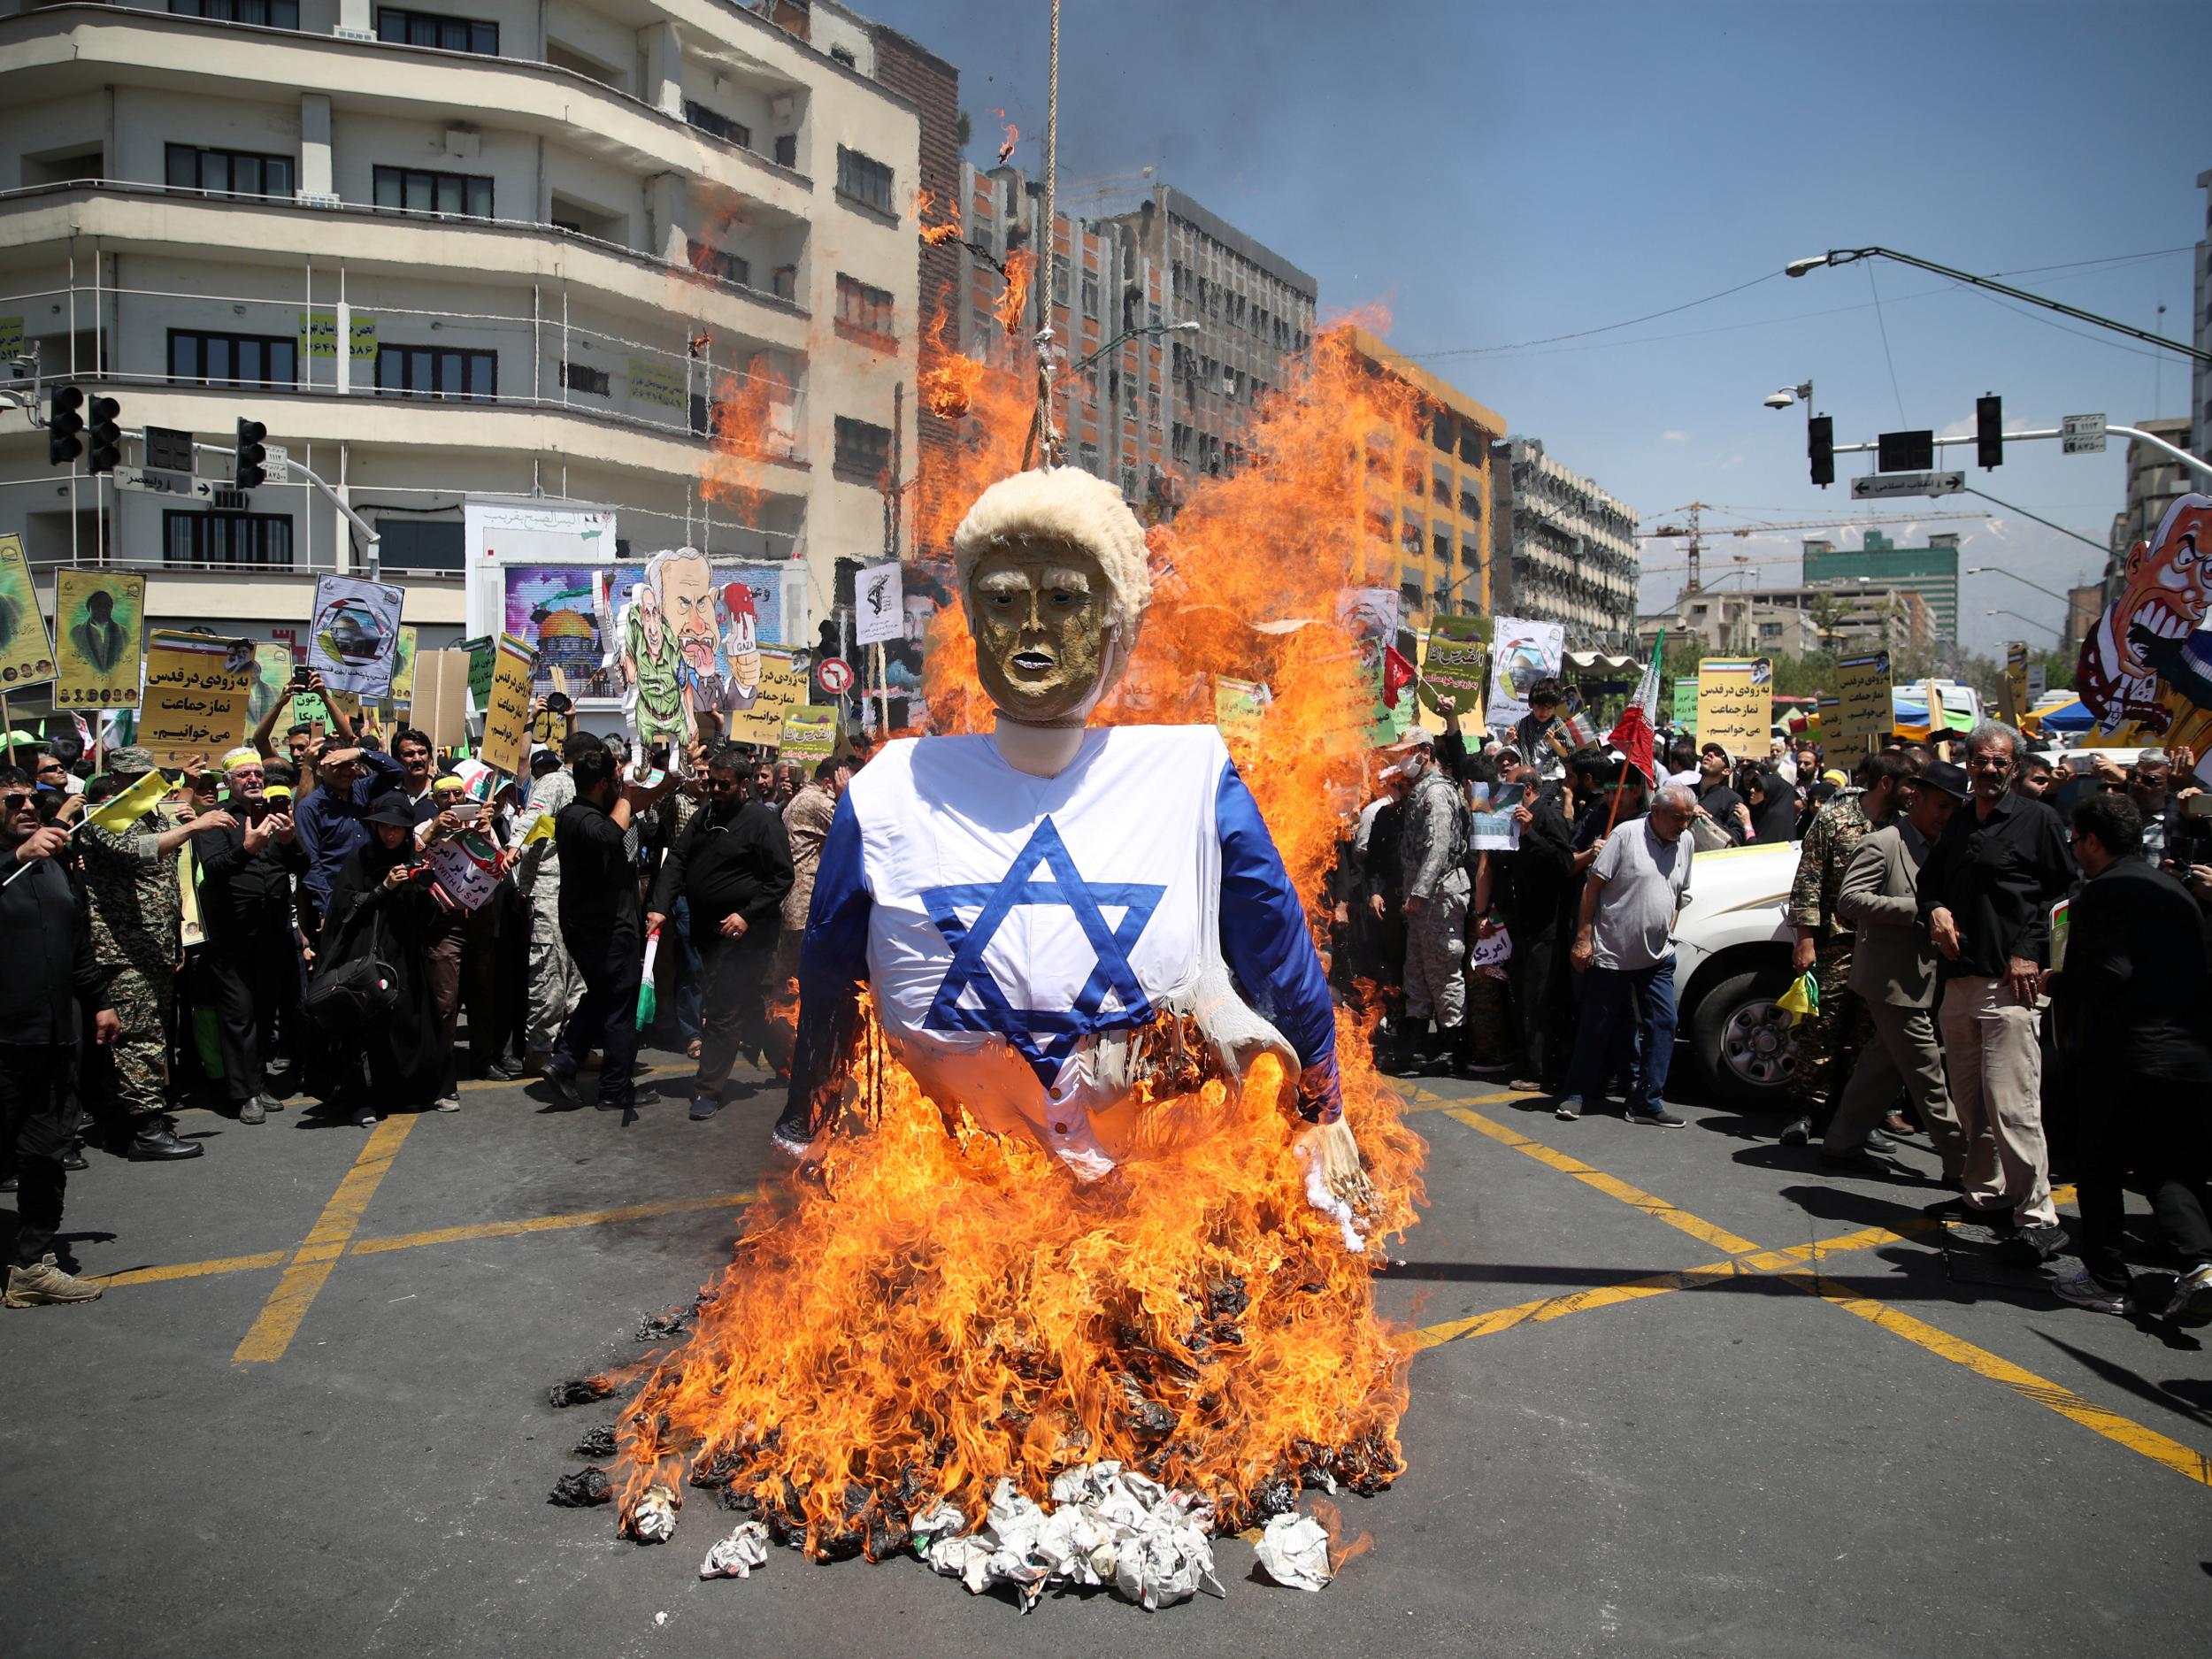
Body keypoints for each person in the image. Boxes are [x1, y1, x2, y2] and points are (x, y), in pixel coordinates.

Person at [2043, 794, 2212, 1324]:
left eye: (2076, 839)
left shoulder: (2106, 892)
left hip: (2125, 1055)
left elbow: (2109, 974)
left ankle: (2107, 1281)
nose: (2074, 847)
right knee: (2166, 1167)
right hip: (2186, 1054)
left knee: (2099, 1166)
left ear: (2093, 842)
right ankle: (2201, 1264)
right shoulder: (2174, 890)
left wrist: (2058, 981)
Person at [1919, 719, 2076, 1256]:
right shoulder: (1961, 822)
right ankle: (1984, 1195)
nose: (1988, 770)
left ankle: (2037, 1216)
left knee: (2012, 1106)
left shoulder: (2040, 821)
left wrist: (2032, 953)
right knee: (1971, 1104)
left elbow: (2065, 896)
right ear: (1968, 764)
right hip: (1959, 984)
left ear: (2013, 767)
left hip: (2013, 988)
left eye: (1998, 762)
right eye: (1979, 761)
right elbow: (1929, 884)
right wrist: (1935, 908)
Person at [0, 767, 121, 1306]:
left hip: (52, 1036)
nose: (27, 807)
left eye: (33, 799)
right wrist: (14, 859)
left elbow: (78, 943)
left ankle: (31, 1266)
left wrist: (98, 1001)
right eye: (12, 800)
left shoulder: (54, 863)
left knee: (46, 1153)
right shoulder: (18, 860)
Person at [79, 749, 235, 1160]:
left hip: (155, 946)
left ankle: (137, 1115)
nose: (141, 785)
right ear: (114, 779)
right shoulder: (104, 817)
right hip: (122, 949)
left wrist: (183, 814)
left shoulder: (152, 812)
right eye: (133, 778)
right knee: (138, 1038)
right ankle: (145, 1129)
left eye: (147, 777)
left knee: (151, 1033)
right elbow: (139, 850)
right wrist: (193, 827)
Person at [1827, 759, 1971, 1176]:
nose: (1946, 816)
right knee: (1928, 1076)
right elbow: (1850, 901)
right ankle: (1964, 1164)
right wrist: (1921, 911)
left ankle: (1840, 1143)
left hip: (1930, 979)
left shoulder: (1948, 846)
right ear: (1916, 799)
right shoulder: (1884, 843)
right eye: (1940, 806)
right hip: (1892, 981)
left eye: (1952, 808)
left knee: (1882, 1067)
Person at [649, 746, 794, 1119]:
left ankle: (708, 1089)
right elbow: (679, 859)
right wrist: (660, 906)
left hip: (746, 934)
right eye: (711, 783)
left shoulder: (762, 821)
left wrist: (746, 915)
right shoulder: (705, 816)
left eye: (723, 785)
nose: (714, 790)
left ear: (743, 785)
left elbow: (781, 878)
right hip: (707, 931)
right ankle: (789, 1061)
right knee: (747, 1004)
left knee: (722, 1009)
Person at [1777, 752, 1909, 1148]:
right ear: (1886, 783)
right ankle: (1807, 1113)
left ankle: (1860, 1118)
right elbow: (1808, 883)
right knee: (1822, 1030)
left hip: (1884, 948)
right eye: (1908, 784)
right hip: (1837, 944)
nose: (1914, 792)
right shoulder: (1835, 821)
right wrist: (1804, 940)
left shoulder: (1905, 828)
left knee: (1870, 1035)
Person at [312, 793, 454, 1125]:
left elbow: (430, 919)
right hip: (365, 955)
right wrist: (384, 888)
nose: (391, 835)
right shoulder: (360, 859)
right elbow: (345, 908)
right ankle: (362, 1100)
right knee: (366, 1027)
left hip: (405, 954)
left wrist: (423, 890)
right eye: (384, 828)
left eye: (398, 829)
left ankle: (421, 1091)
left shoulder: (413, 859)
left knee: (412, 1021)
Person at [1556, 783, 1694, 1125]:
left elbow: (1678, 894)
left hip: (1658, 956)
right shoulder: (1626, 835)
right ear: (1657, 813)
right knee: (1597, 1025)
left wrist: (1668, 930)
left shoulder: (1686, 842)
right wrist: (1584, 938)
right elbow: (1593, 888)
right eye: (1678, 818)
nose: (1684, 827)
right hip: (1612, 953)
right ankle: (1576, 1093)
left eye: (1688, 819)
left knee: (1664, 1023)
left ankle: (1647, 1101)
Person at [193, 748, 302, 1125]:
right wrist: (246, 848)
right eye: (244, 775)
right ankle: (244, 1093)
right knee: (238, 1014)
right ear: (229, 783)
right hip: (232, 936)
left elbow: (302, 864)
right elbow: (214, 867)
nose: (254, 779)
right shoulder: (217, 819)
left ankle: (258, 1081)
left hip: (272, 932)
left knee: (263, 1010)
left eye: (258, 773)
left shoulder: (277, 813)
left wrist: (289, 841)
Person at [549, 743, 653, 1112]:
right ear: (602, 784)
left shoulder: (593, 814)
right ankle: (614, 1089)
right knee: (619, 1007)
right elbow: (609, 837)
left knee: (603, 995)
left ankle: (564, 1060)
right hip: (603, 930)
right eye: (614, 782)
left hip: (603, 926)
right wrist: (625, 797)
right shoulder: (580, 817)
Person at [1394, 729, 1473, 1077]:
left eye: (1407, 752)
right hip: (1423, 898)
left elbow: (1439, 847)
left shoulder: (1438, 793)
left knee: (1443, 972)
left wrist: (1418, 893)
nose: (1401, 760)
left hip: (1440, 895)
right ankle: (1414, 1049)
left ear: (1425, 752)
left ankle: (1454, 1050)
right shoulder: (1422, 791)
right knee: (1417, 971)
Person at [292, 734, 404, 941]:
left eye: (349, 764)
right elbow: (311, 863)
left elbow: (397, 771)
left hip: (373, 892)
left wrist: (361, 752)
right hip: (337, 899)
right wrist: (327, 909)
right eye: (336, 765)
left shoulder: (362, 790)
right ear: (320, 769)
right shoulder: (310, 807)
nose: (344, 772)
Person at [1694, 743, 1748, 845]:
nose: (1709, 754)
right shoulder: (1685, 791)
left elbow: (1737, 838)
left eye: (1718, 754)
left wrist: (1706, 818)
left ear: (1726, 771)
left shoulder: (1731, 799)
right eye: (1707, 752)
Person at [1745, 769, 1799, 844]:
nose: (1752, 790)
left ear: (1771, 793)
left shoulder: (1778, 817)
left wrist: (1746, 823)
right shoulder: (1762, 811)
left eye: (1758, 788)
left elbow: (1760, 848)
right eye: (1752, 786)